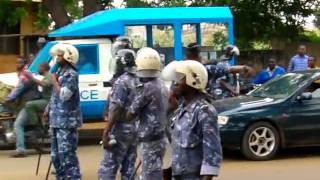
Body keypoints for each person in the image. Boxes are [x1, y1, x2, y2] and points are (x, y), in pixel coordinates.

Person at [163, 60, 222, 180]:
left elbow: (212, 154)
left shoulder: (204, 111)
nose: (175, 83)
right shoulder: (180, 110)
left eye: (180, 78)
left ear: (193, 81)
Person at [126, 47, 168, 180]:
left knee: (149, 176)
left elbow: (130, 114)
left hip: (149, 140)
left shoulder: (145, 89)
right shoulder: (162, 85)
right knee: (155, 172)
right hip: (160, 138)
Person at [98, 49, 138, 180]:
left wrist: (106, 131)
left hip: (120, 130)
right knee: (129, 167)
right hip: (134, 130)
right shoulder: (138, 79)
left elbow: (117, 109)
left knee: (108, 167)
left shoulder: (122, 81)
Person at [44, 43, 82, 180]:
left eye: (60, 55)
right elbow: (55, 95)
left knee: (67, 154)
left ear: (68, 57)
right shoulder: (59, 71)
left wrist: (54, 80)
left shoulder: (71, 74)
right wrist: (48, 109)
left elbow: (65, 95)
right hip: (56, 120)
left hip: (66, 122)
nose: (57, 57)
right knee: (56, 156)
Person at [6, 58, 42, 157]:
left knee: (18, 125)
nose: (18, 64)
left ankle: (21, 150)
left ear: (25, 63)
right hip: (27, 102)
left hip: (30, 103)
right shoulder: (23, 73)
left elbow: (19, 88)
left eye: (20, 62)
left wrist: (8, 98)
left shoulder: (25, 75)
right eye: (17, 62)